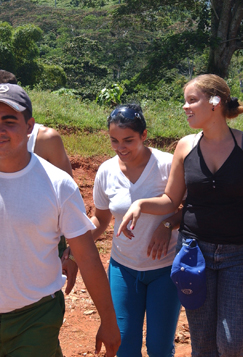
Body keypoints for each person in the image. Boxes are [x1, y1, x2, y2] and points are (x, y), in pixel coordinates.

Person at [0, 83, 120, 357]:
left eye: (9, 121)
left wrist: (108, 320)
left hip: (37, 316)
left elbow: (88, 258)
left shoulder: (58, 184)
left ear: (29, 126)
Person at [118, 74, 243, 356]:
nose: (185, 107)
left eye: (191, 101)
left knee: (232, 344)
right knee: (202, 344)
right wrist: (141, 205)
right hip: (193, 253)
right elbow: (170, 199)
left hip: (240, 255)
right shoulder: (185, 146)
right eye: (184, 101)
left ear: (215, 102)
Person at [0, 69, 78, 295]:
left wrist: (72, 252)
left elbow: (69, 199)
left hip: (42, 240)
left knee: (41, 296)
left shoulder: (46, 140)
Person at [90, 104, 181, 357]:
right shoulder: (106, 171)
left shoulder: (167, 165)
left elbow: (191, 209)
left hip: (164, 269)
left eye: (128, 140)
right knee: (123, 346)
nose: (121, 148)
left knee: (160, 348)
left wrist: (167, 224)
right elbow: (100, 218)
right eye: (114, 141)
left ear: (144, 135)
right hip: (123, 269)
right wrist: (75, 246)